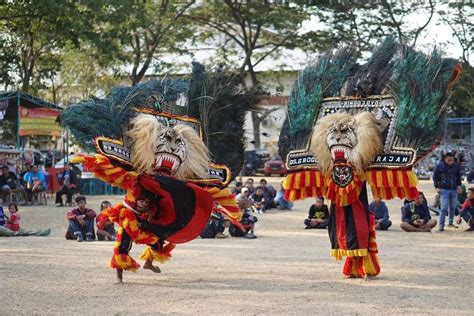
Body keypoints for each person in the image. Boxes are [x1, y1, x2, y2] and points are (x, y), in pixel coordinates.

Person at [433, 152, 462, 231]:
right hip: (444, 189)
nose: (450, 162)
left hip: (454, 189)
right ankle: (441, 225)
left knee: (453, 207)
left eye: (452, 160)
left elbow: (458, 177)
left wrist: (459, 186)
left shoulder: (456, 166)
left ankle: (450, 223)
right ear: (445, 159)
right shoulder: (439, 166)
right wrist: (436, 187)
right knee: (444, 208)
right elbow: (435, 177)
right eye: (449, 160)